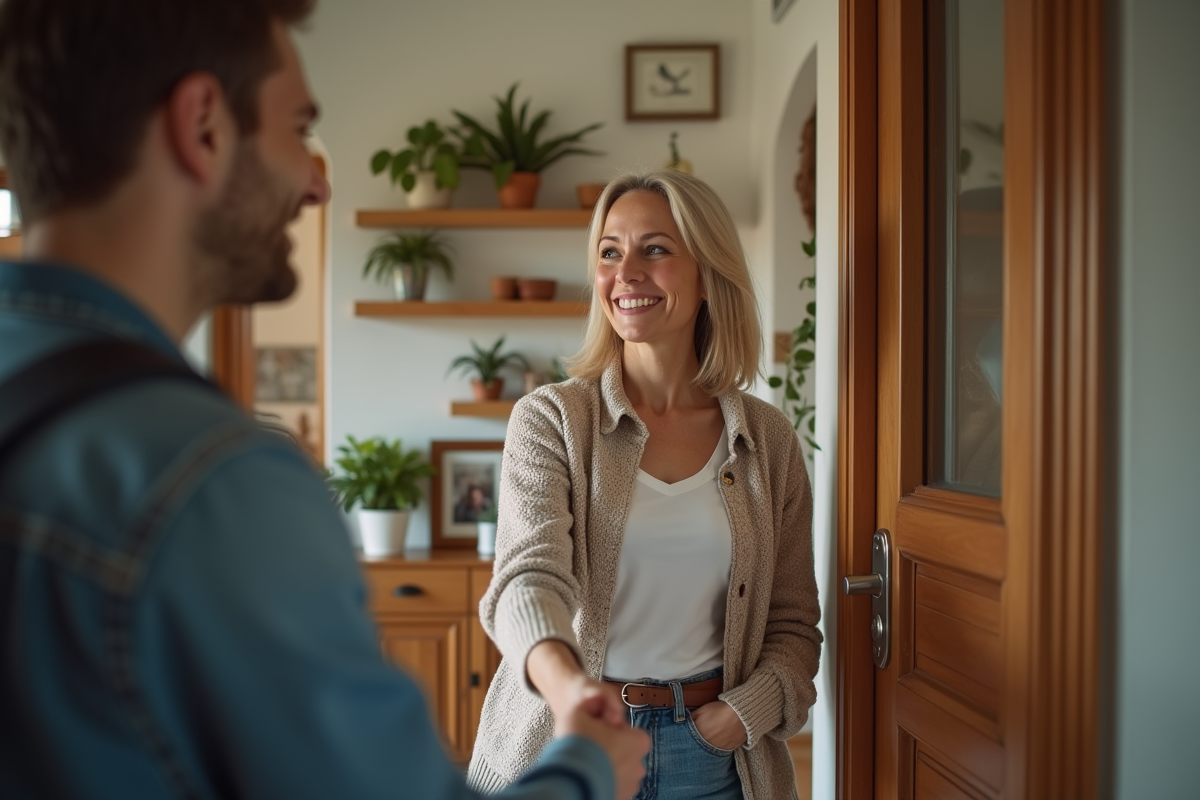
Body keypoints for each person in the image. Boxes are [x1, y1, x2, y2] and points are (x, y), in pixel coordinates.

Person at [0, 2, 648, 799]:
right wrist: (586, 769)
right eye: (298, 129)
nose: (317, 182)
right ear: (202, 126)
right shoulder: (213, 481)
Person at [468, 171, 822, 800]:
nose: (626, 273)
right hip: (570, 741)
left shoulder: (766, 440)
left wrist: (738, 716)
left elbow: (793, 623)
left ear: (707, 274)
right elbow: (528, 580)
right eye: (610, 252)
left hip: (714, 758)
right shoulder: (551, 419)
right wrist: (570, 694)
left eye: (654, 249)